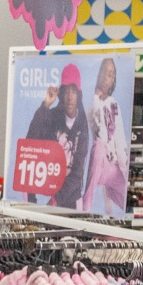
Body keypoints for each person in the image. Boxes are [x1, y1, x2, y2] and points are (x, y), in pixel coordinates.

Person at [23, 63, 92, 209]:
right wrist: (45, 105)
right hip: (48, 184)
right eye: (66, 91)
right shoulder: (53, 117)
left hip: (69, 196)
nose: (69, 97)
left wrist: (55, 201)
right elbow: (30, 142)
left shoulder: (82, 125)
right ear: (61, 94)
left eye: (73, 91)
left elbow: (77, 174)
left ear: (79, 95)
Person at [82, 56, 129, 215]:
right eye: (103, 72)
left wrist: (124, 168)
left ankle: (112, 199)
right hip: (100, 166)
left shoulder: (114, 105)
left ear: (113, 80)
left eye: (110, 75)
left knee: (127, 203)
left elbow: (120, 139)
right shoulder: (91, 108)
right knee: (98, 147)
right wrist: (96, 98)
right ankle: (86, 204)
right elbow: (100, 133)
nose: (105, 78)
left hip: (115, 168)